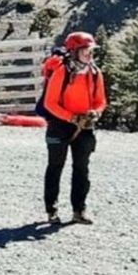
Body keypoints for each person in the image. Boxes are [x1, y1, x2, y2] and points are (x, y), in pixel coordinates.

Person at [43, 31, 107, 225]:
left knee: (82, 169)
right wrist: (71, 117)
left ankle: (79, 210)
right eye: (85, 50)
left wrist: (96, 112)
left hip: (85, 125)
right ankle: (51, 210)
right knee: (56, 167)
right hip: (59, 125)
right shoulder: (62, 72)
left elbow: (101, 100)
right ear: (74, 51)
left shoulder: (95, 73)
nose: (89, 54)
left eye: (91, 50)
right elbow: (50, 103)